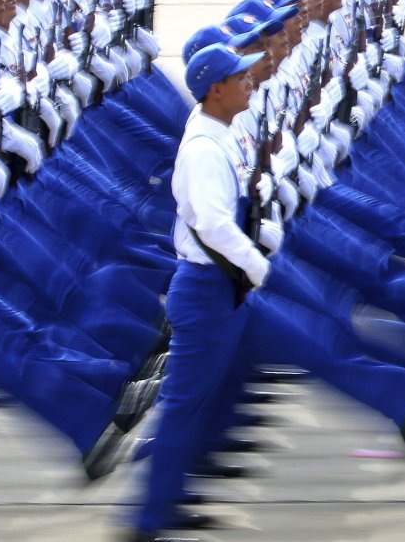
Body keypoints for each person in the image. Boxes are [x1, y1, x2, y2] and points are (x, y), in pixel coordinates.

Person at [124, 42, 282, 542]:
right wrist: (256, 262)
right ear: (216, 90)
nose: (248, 81)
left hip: (221, 286)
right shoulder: (204, 148)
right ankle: (150, 520)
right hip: (208, 287)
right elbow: (212, 224)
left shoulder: (220, 136)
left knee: (207, 397)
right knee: (185, 405)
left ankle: (171, 496)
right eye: (239, 77)